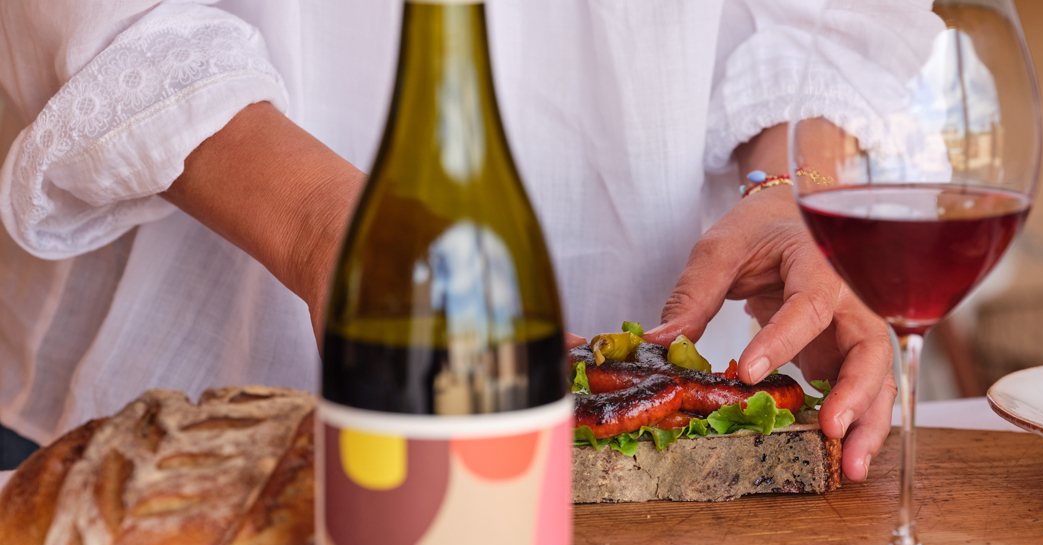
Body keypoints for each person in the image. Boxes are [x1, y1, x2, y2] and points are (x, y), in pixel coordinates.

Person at [0, 0, 919, 478]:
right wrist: (334, 232)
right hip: (178, 412)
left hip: (699, 421)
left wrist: (799, 191)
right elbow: (108, 24)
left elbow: (822, 19)